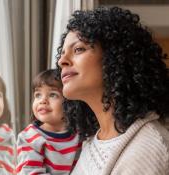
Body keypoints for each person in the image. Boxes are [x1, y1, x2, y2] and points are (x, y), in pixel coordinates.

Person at [57, 6, 169, 175]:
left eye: (79, 49)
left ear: (116, 58)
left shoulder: (148, 147)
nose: (61, 61)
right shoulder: (93, 143)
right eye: (62, 53)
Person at [16, 69, 82, 175]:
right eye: (38, 95)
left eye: (52, 95)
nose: (43, 100)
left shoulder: (79, 136)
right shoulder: (29, 138)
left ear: (70, 103)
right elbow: (31, 172)